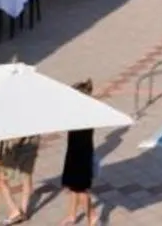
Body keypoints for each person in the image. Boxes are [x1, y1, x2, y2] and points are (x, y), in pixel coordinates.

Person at [58, 80, 98, 225]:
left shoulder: (83, 115)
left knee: (80, 190)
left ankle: (92, 216)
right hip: (75, 153)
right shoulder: (81, 112)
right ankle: (72, 215)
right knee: (74, 187)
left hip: (80, 156)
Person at [0, 132, 39, 223]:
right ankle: (23, 212)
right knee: (27, 178)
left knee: (2, 181)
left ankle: (15, 211)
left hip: (15, 147)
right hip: (33, 143)